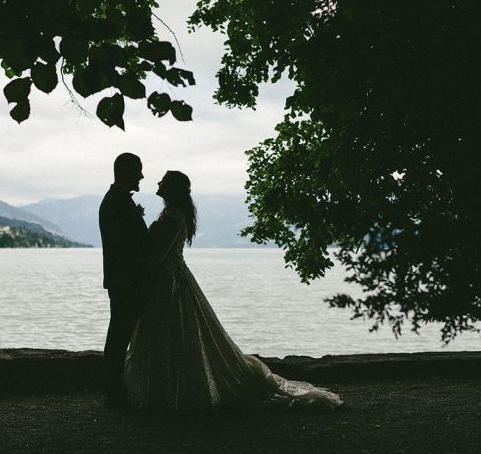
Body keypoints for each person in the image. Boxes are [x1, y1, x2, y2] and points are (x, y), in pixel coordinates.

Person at [124, 170, 343, 412]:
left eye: (163, 181)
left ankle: (172, 393)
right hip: (169, 280)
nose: (157, 182)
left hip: (169, 283)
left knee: (173, 334)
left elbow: (156, 258)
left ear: (172, 188)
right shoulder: (171, 215)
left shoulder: (173, 218)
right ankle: (166, 390)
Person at [99, 152, 150, 408]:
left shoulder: (116, 200)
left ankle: (117, 391)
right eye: (138, 170)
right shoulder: (117, 202)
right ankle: (115, 393)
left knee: (119, 335)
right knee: (119, 336)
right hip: (125, 281)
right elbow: (130, 247)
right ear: (125, 171)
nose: (141, 175)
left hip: (122, 280)